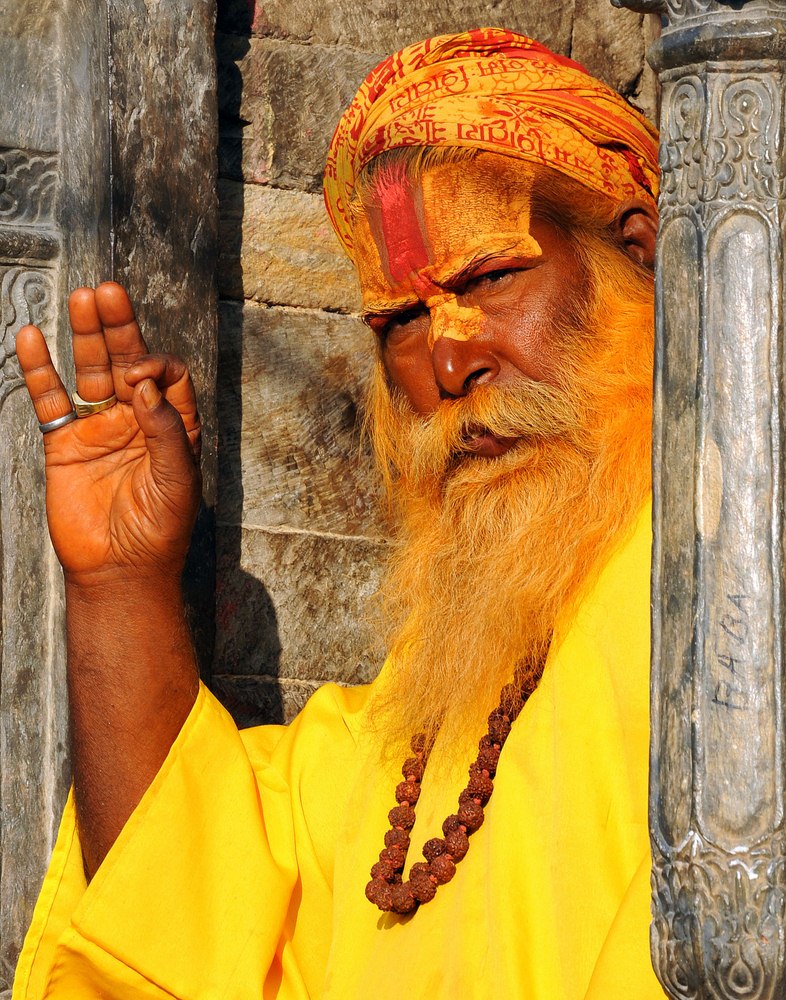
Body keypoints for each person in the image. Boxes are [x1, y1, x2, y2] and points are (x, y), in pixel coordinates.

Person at [12, 28, 665, 999]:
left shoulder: (714, 585)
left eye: (489, 278)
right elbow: (194, 920)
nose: (449, 366)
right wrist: (120, 584)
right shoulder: (419, 723)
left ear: (641, 254)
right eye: (401, 321)